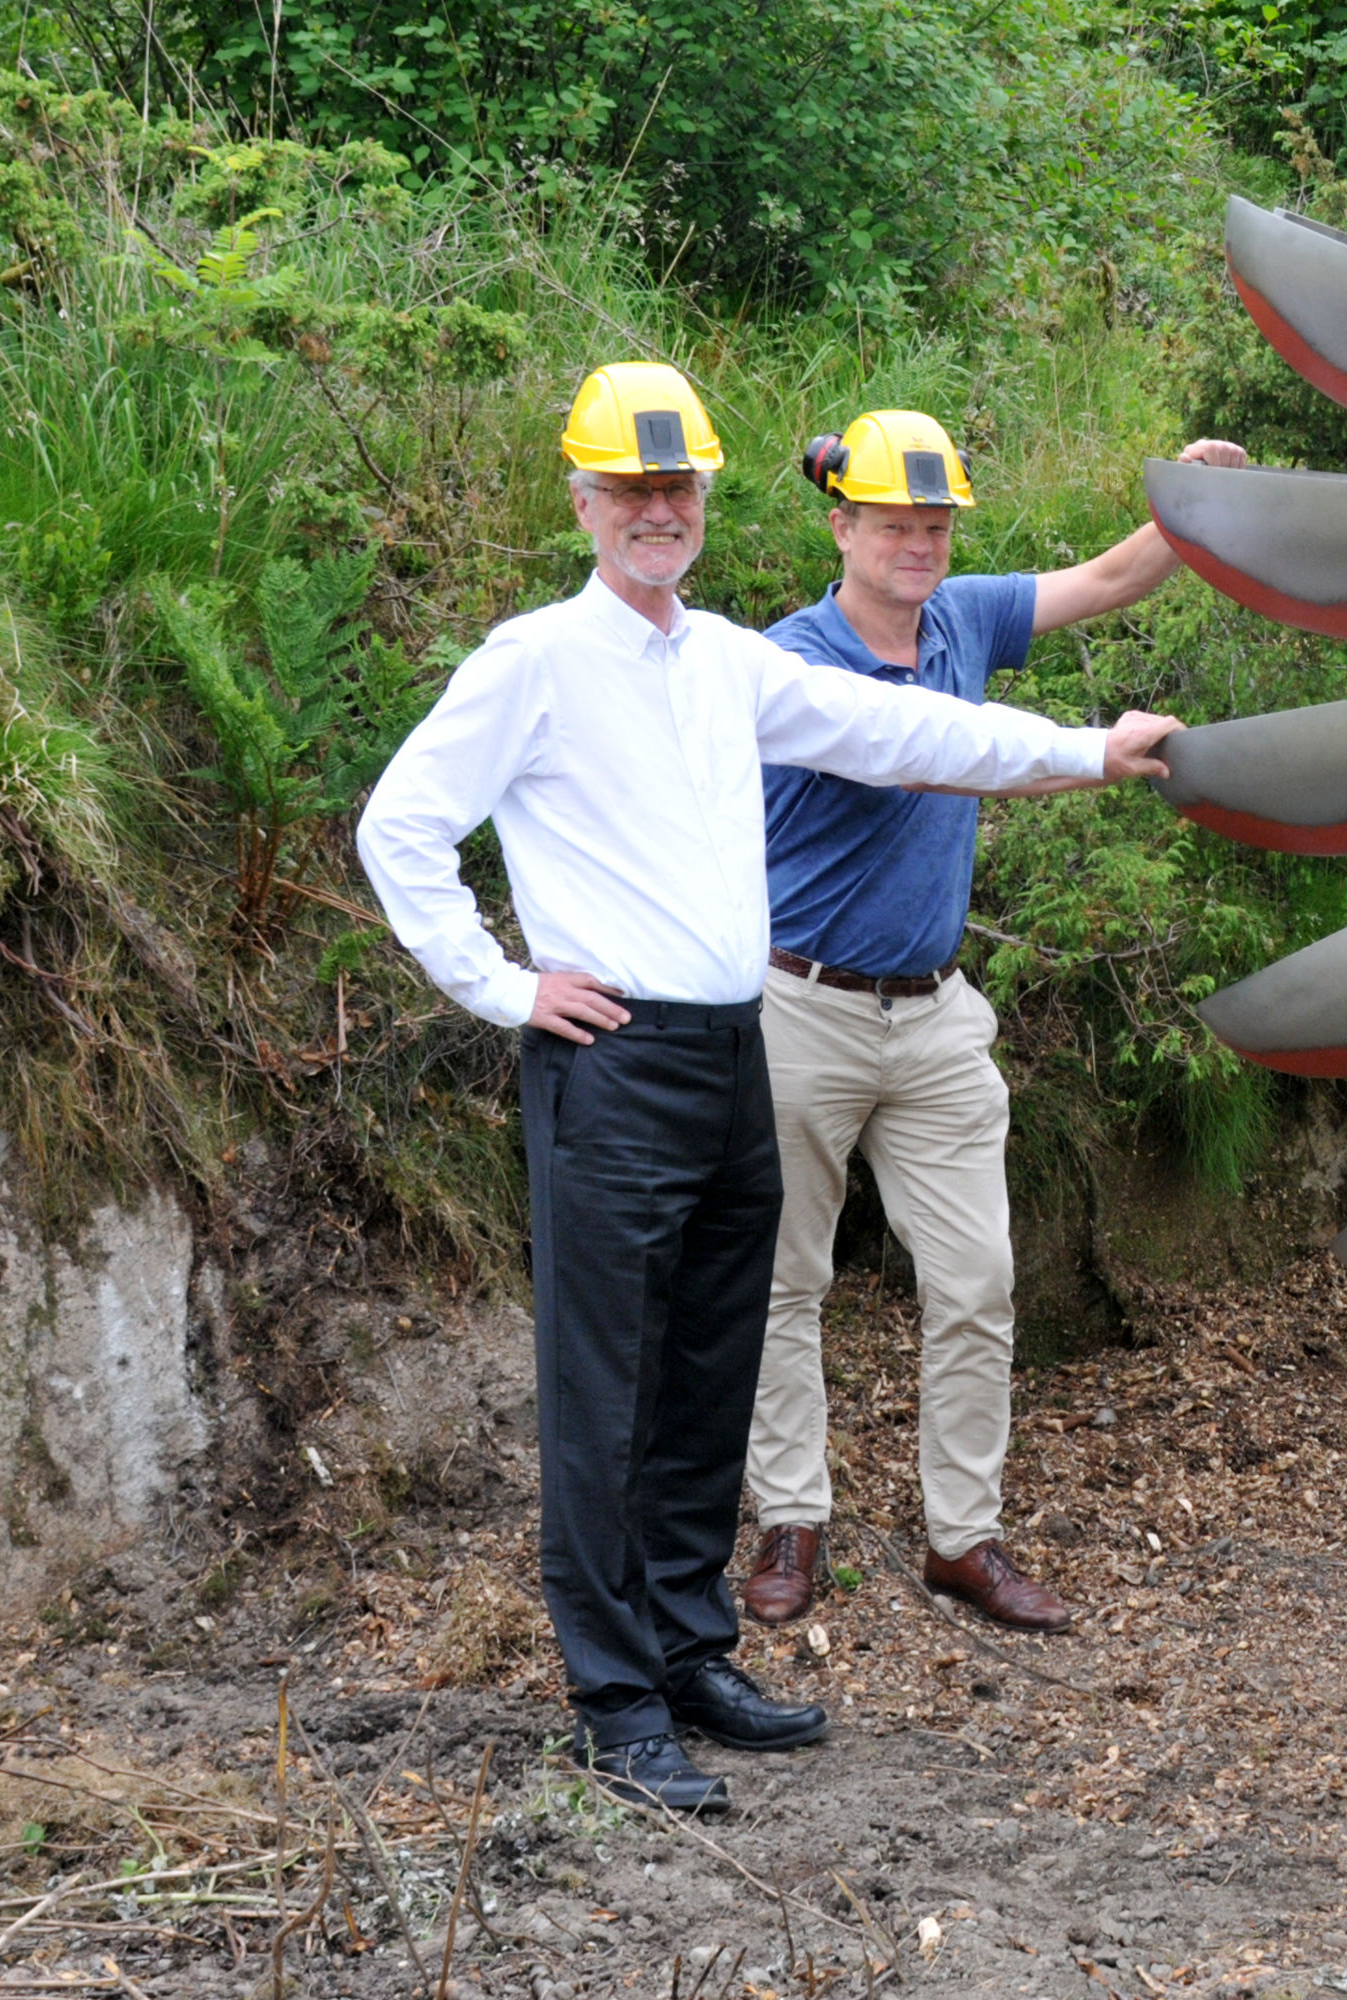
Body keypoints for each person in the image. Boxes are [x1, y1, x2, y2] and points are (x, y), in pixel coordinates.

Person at [355, 363, 1182, 1816]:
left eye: (677, 488)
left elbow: (906, 734)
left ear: (703, 499)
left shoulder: (728, 661)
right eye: (631, 489)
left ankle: (689, 1655)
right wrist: (502, 985)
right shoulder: (532, 660)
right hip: (614, 1060)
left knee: (710, 1370)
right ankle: (617, 1704)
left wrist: (1085, 753)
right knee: (606, 1393)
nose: (658, 511)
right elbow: (401, 826)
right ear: (584, 501)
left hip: (737, 1052)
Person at [728, 413, 1248, 1635]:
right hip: (799, 1007)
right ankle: (790, 1520)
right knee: (782, 1280)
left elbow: (1109, 580)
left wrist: (1193, 507)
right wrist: (1093, 752)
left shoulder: (960, 615)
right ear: (841, 525)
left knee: (976, 1281)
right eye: (894, 523)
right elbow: (927, 756)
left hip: (935, 1015)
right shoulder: (793, 658)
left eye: (936, 523)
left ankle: (962, 1539)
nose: (918, 543)